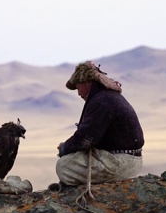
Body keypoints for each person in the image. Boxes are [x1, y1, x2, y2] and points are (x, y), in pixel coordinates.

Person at [50, 61, 144, 190]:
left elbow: (85, 139)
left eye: (78, 87)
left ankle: (75, 185)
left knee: (64, 165)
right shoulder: (108, 97)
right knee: (73, 158)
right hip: (126, 158)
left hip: (121, 162)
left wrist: (64, 148)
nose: (78, 93)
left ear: (87, 81)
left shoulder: (102, 101)